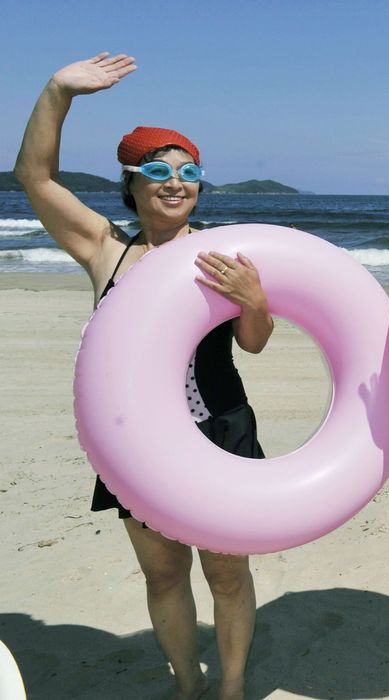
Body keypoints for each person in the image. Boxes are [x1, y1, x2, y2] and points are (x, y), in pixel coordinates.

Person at [14, 53, 273, 700]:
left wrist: (256, 300)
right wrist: (58, 91)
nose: (175, 183)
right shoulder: (107, 249)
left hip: (219, 430)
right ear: (131, 185)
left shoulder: (224, 254)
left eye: (188, 173)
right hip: (134, 442)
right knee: (163, 576)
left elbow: (254, 345)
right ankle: (187, 685)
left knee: (227, 576)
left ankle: (232, 687)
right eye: (157, 171)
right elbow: (34, 175)